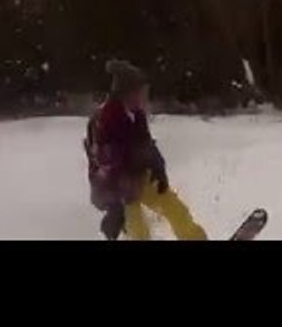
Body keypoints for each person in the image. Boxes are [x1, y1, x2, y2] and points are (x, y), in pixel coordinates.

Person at [84, 59, 207, 240]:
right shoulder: (105, 120)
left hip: (137, 178)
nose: (145, 97)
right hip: (116, 189)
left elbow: (146, 144)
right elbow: (105, 166)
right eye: (142, 92)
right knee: (137, 228)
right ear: (127, 93)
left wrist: (158, 168)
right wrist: (115, 207)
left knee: (175, 209)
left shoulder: (136, 114)